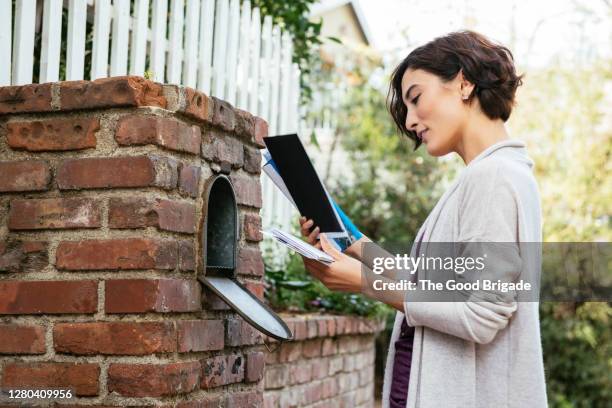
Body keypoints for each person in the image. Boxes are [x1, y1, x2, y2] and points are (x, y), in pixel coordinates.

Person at [298, 30, 547, 407]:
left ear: (463, 83)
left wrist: (365, 282)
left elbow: (481, 312)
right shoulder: (490, 175)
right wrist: (352, 245)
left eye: (416, 98)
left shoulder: (492, 177)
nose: (411, 120)